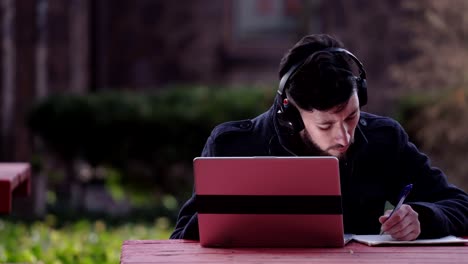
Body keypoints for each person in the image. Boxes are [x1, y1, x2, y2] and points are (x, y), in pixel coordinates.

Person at [170, 34, 468, 241]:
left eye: (352, 116)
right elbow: (182, 237)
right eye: (326, 125)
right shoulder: (232, 146)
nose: (344, 136)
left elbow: (458, 203)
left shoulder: (384, 139)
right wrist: (235, 216)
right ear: (292, 114)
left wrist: (423, 217)